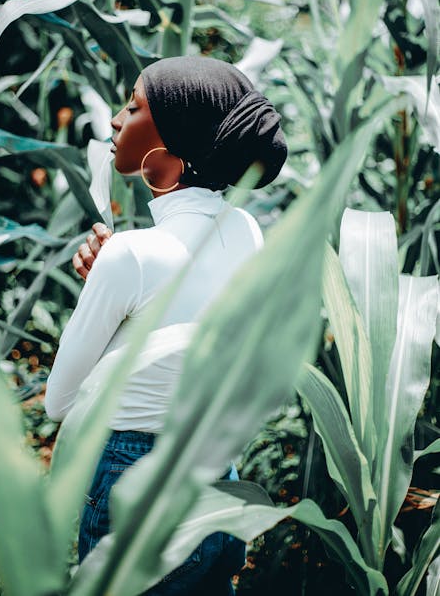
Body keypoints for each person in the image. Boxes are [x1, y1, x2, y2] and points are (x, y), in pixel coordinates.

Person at [44, 55, 287, 594]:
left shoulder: (129, 255)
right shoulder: (247, 228)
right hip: (217, 479)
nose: (113, 120)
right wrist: (113, 283)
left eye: (132, 107)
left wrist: (106, 285)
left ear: (169, 148)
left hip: (132, 481)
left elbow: (61, 405)